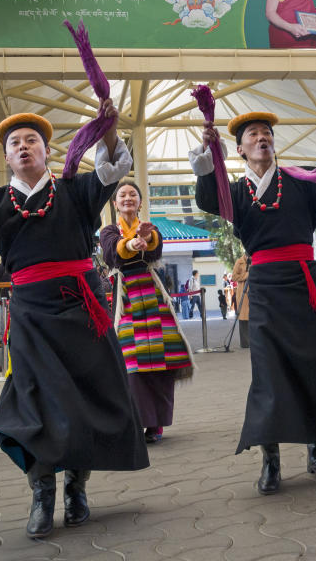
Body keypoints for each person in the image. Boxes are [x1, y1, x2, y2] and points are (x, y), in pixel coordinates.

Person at [0, 101, 147, 538]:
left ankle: (77, 487)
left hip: (84, 310)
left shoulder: (77, 190)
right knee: (33, 403)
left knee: (86, 398)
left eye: (32, 141)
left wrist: (108, 131)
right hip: (30, 314)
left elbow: (113, 167)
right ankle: (42, 491)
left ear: (47, 151)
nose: (24, 147)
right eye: (14, 143)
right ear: (5, 158)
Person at [191, 108, 316, 494]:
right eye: (253, 134)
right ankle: (270, 460)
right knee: (269, 376)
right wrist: (209, 156)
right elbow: (207, 197)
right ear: (239, 150)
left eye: (267, 133)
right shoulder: (235, 193)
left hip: (307, 284)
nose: (262, 138)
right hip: (268, 290)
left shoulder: (300, 180)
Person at [100, 181, 194, 445]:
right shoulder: (108, 231)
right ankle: (136, 421)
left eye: (133, 194)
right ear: (115, 204)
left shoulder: (152, 229)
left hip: (154, 298)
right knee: (131, 362)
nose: (128, 198)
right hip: (125, 300)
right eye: (122, 195)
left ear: (140, 202)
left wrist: (147, 238)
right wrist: (131, 244)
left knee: (162, 361)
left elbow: (156, 248)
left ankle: (156, 424)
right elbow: (111, 253)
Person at [230, 255, 251, 349]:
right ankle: (245, 343)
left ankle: (255, 341)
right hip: (244, 292)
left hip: (255, 291)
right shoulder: (239, 262)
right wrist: (247, 275)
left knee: (255, 317)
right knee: (243, 318)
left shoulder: (256, 260)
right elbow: (234, 277)